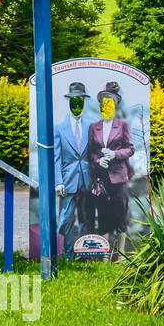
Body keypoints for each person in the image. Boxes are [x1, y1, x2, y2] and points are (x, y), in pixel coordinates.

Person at [87, 81, 134, 243]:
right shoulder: (94, 127)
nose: (107, 108)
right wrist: (99, 160)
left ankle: (121, 256)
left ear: (115, 107)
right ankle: (105, 256)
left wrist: (114, 154)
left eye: (110, 105)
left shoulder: (123, 125)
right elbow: (91, 152)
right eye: (104, 105)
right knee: (103, 216)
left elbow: (130, 149)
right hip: (101, 179)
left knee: (120, 216)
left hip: (119, 178)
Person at [53, 81, 93, 252]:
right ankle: (67, 254)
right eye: (74, 101)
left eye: (80, 101)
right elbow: (56, 158)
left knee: (86, 219)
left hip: (87, 181)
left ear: (84, 103)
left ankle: (84, 253)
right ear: (69, 102)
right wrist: (58, 181)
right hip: (68, 181)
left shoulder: (91, 127)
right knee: (66, 219)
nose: (77, 105)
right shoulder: (59, 129)